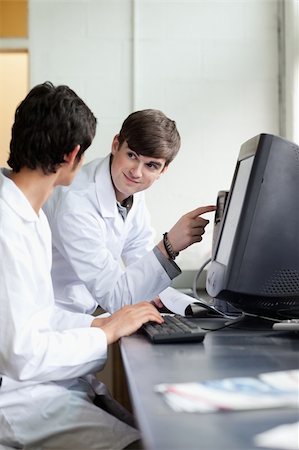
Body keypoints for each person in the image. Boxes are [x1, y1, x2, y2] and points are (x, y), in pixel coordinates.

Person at [0, 82, 163, 450]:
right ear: (74, 154)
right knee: (142, 442)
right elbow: (20, 354)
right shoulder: (8, 225)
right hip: (13, 395)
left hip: (34, 377)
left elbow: (38, 314)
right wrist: (105, 333)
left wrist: (98, 322)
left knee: (135, 425)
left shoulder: (30, 213)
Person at [44, 109, 215, 315]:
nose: (136, 172)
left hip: (85, 312)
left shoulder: (130, 188)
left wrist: (154, 291)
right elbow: (117, 298)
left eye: (151, 165)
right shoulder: (76, 203)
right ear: (116, 145)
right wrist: (169, 246)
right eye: (132, 156)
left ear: (163, 170)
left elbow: (138, 251)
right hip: (56, 317)